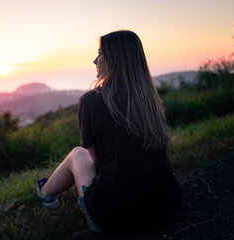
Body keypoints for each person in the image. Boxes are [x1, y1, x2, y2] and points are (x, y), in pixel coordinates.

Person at [36, 30, 181, 233]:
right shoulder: (150, 99)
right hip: (166, 209)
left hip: (113, 217)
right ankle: (45, 191)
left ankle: (44, 193)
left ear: (115, 59)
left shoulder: (91, 100)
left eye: (100, 53)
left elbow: (96, 163)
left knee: (78, 154)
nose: (95, 60)